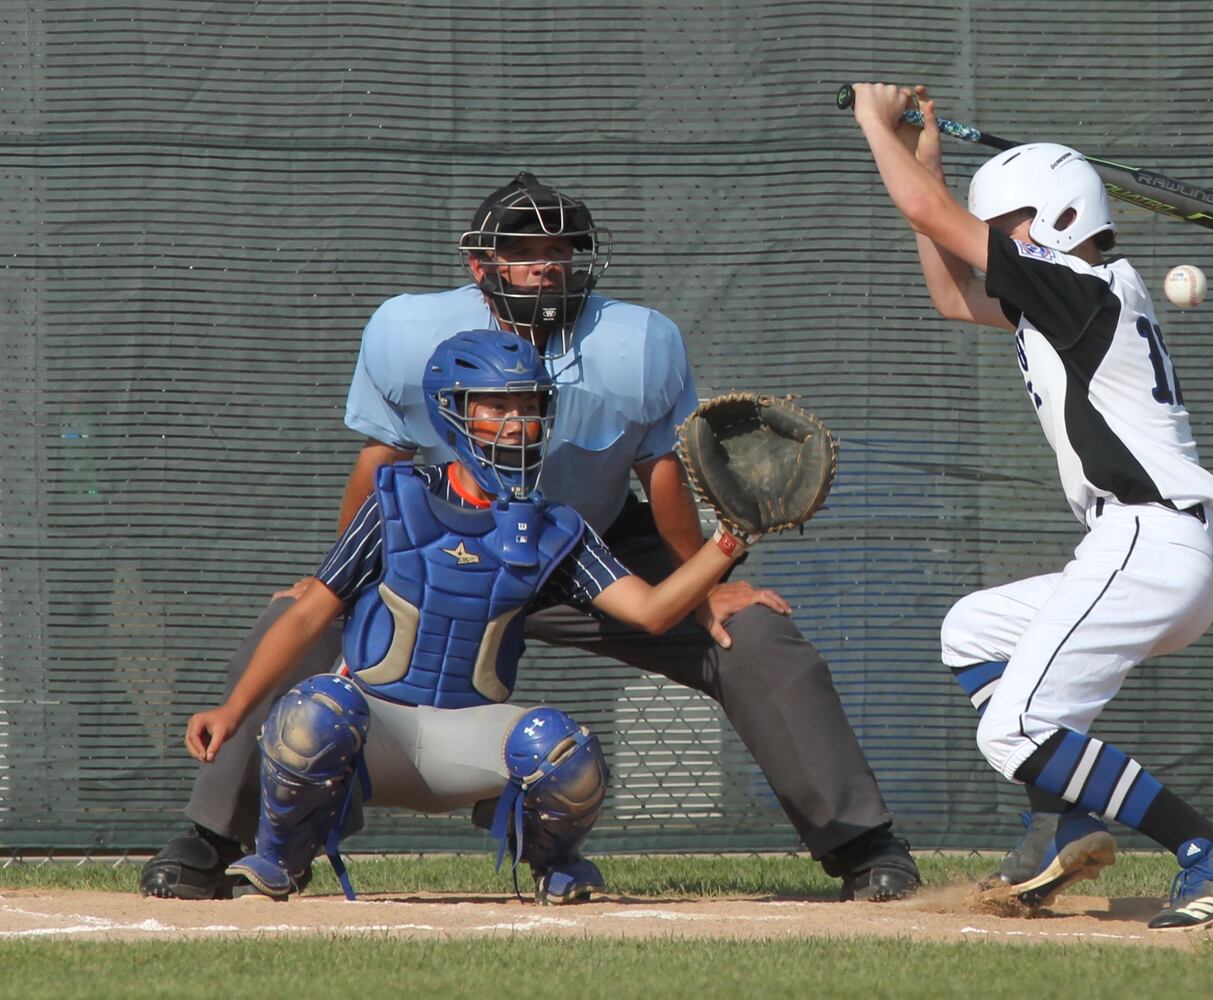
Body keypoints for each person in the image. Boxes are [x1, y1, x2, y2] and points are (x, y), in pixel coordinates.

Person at [141, 171, 919, 903]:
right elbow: (382, 458)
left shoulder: (636, 342)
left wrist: (710, 581)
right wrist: (340, 582)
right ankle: (213, 838)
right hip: (448, 534)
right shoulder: (410, 333)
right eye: (522, 249)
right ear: (482, 264)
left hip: (591, 540)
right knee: (301, 620)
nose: (545, 265)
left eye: (559, 249)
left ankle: (862, 845)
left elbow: (662, 474)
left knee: (750, 636)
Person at [849, 83, 1213, 930]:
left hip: (1149, 544)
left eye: (1006, 228)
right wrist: (926, 154)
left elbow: (935, 220)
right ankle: (1064, 822)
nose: (996, 247)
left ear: (1052, 218)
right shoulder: (1072, 299)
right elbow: (947, 286)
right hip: (1148, 549)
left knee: (1011, 728)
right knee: (970, 630)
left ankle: (1211, 848)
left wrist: (875, 123)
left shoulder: (1082, 290)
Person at [185, 330, 768, 901]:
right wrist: (234, 709)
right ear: (450, 411)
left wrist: (728, 542)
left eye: (529, 406)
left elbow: (653, 612)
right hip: (375, 730)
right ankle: (281, 858)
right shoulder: (396, 500)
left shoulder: (555, 526)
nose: (516, 423)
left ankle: (554, 864)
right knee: (311, 715)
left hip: (467, 736)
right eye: (496, 405)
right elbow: (309, 614)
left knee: (565, 750)